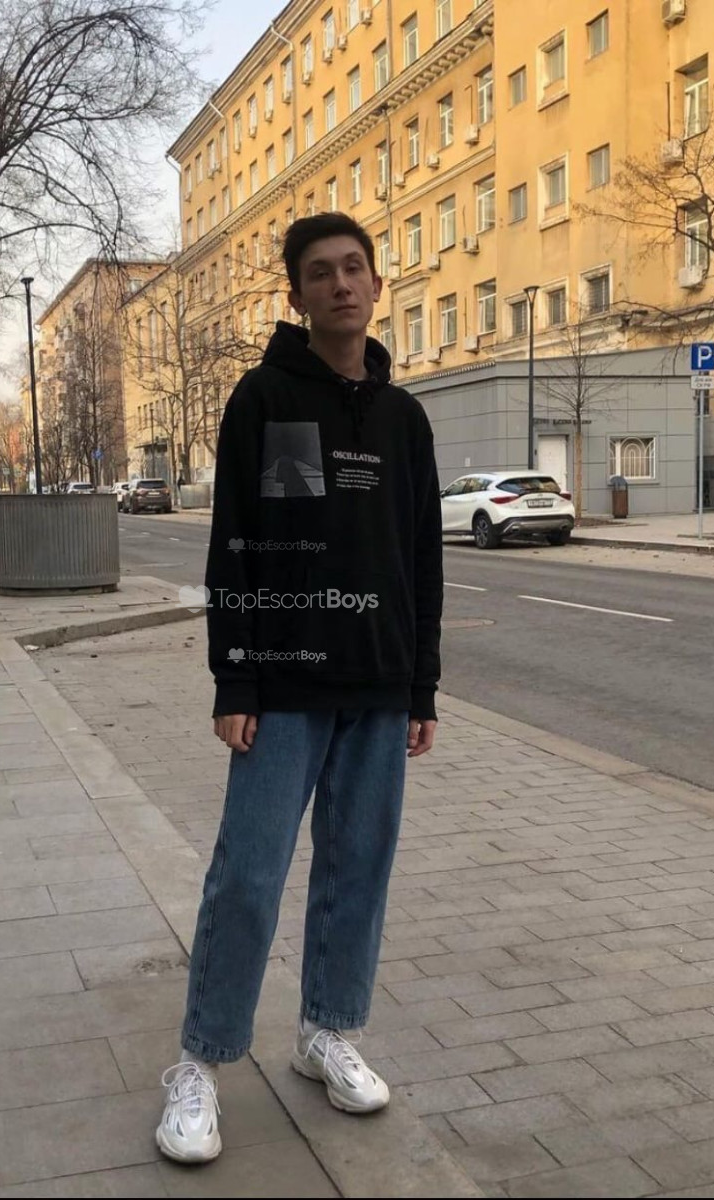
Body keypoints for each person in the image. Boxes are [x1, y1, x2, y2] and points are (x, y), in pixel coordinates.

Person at [155, 213, 443, 1164]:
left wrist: (421, 687)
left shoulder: (403, 419)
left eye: (355, 268)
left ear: (377, 284)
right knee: (247, 876)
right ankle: (202, 1061)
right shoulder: (265, 397)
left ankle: (327, 1031)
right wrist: (233, 677)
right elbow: (238, 543)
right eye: (321, 273)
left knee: (358, 869)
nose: (341, 284)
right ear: (297, 295)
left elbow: (423, 559)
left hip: (378, 686)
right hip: (283, 685)